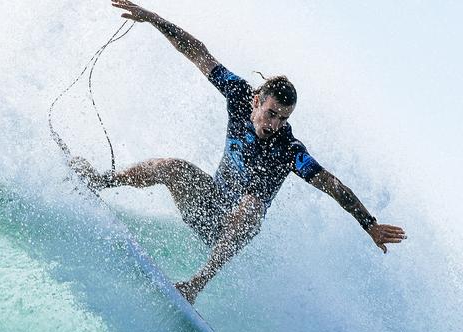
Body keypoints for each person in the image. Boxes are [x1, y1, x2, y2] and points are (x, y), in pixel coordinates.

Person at [70, 0, 407, 304]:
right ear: (257, 100)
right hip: (204, 205)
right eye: (271, 113)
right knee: (171, 166)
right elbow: (196, 51)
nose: (275, 123)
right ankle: (101, 181)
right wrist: (153, 18)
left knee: (250, 208)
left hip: (230, 231)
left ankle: (194, 286)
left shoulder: (288, 150)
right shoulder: (237, 94)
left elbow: (331, 184)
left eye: (283, 118)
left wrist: (369, 224)